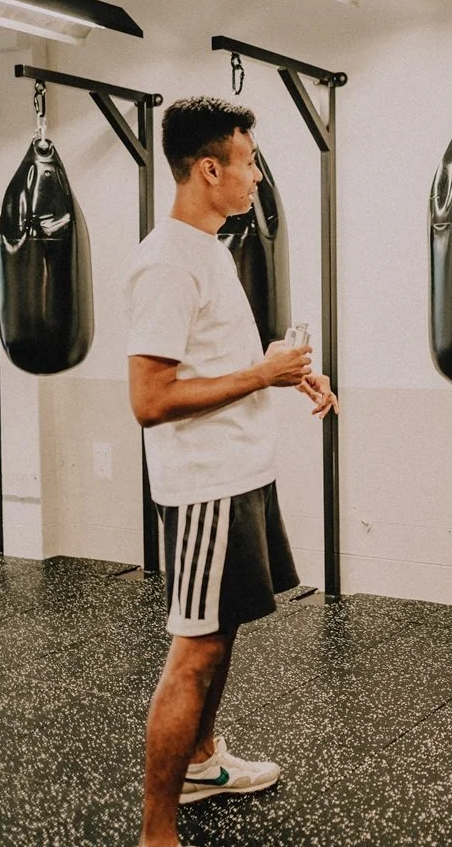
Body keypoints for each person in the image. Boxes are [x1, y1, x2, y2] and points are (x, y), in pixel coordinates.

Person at [125, 96, 337, 847]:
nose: (254, 177)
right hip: (205, 485)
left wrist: (284, 374)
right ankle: (157, 832)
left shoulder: (210, 247)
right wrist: (261, 374)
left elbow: (217, 366)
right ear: (209, 168)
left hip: (240, 474)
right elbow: (149, 400)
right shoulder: (166, 263)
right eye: (247, 163)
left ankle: (205, 760)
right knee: (196, 648)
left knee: (226, 627)